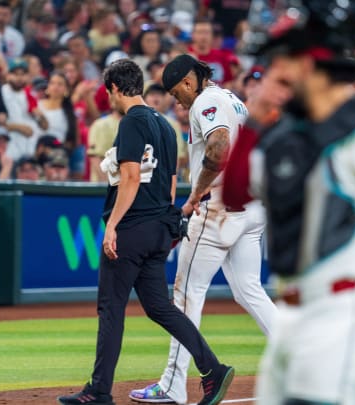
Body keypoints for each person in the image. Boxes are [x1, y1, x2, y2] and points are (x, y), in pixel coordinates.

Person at [223, 1, 355, 403]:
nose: (275, 70)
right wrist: (256, 112)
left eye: (282, 59)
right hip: (291, 316)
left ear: (307, 63)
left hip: (345, 310)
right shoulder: (287, 133)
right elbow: (234, 193)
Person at [58, 58, 233, 405]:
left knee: (111, 308)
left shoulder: (131, 122)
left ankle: (99, 390)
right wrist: (163, 222)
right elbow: (170, 184)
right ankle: (212, 368)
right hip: (158, 228)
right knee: (159, 308)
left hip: (133, 228)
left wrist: (112, 226)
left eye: (108, 92)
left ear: (114, 89)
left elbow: (131, 177)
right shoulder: (166, 125)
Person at [129, 54, 276, 404]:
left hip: (220, 208)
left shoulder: (206, 101)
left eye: (175, 92)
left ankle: (172, 385)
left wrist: (196, 193)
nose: (175, 101)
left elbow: (219, 145)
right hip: (252, 205)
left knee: (185, 294)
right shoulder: (232, 99)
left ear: (188, 82)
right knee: (249, 290)